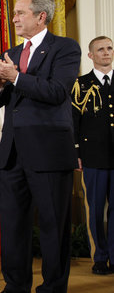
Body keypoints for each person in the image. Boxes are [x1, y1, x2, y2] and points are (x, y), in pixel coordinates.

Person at [0, 0, 81, 292]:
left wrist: (14, 77)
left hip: (49, 152)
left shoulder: (65, 48)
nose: (13, 18)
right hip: (13, 153)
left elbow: (56, 92)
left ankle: (53, 288)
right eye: (13, 13)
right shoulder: (12, 53)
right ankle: (16, 286)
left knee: (53, 227)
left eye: (20, 13)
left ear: (41, 16)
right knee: (13, 226)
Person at [71, 36, 114, 275]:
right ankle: (100, 257)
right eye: (100, 49)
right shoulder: (81, 85)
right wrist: (75, 153)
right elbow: (73, 122)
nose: (106, 53)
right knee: (95, 209)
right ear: (91, 55)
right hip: (92, 157)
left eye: (109, 48)